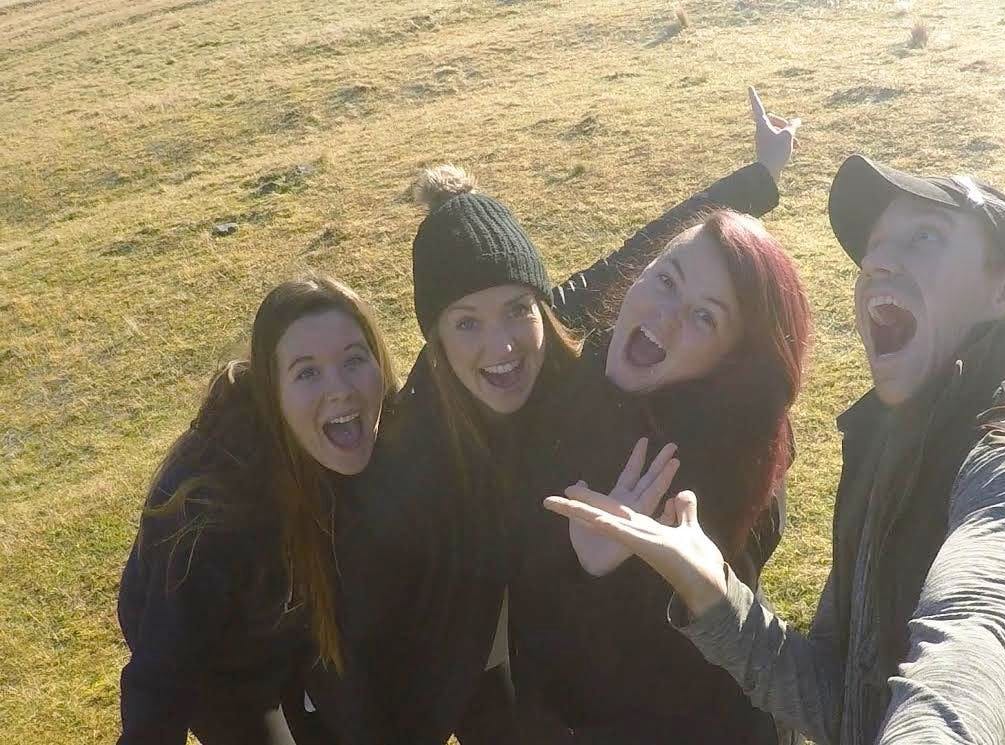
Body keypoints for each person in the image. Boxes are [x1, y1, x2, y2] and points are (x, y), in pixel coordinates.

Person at [546, 155, 1005, 745]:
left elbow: (980, 630)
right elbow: (843, 705)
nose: (878, 261)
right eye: (874, 249)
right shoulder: (891, 439)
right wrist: (712, 592)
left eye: (924, 237)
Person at [323, 89, 801, 745]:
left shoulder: (574, 346)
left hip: (611, 685)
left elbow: (661, 254)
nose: (502, 346)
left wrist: (759, 176)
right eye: (466, 323)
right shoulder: (416, 447)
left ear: (540, 303)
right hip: (490, 682)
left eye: (517, 309)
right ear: (434, 337)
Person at [509, 207, 812, 744]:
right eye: (667, 279)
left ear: (731, 361)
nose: (664, 315)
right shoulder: (588, 369)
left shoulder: (699, 480)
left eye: (705, 318)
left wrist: (592, 573)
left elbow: (663, 689)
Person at [116, 274, 398, 745]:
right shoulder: (214, 520)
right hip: (226, 662)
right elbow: (160, 687)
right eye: (307, 372)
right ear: (274, 393)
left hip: (307, 632)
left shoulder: (381, 432)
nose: (340, 389)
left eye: (354, 359)